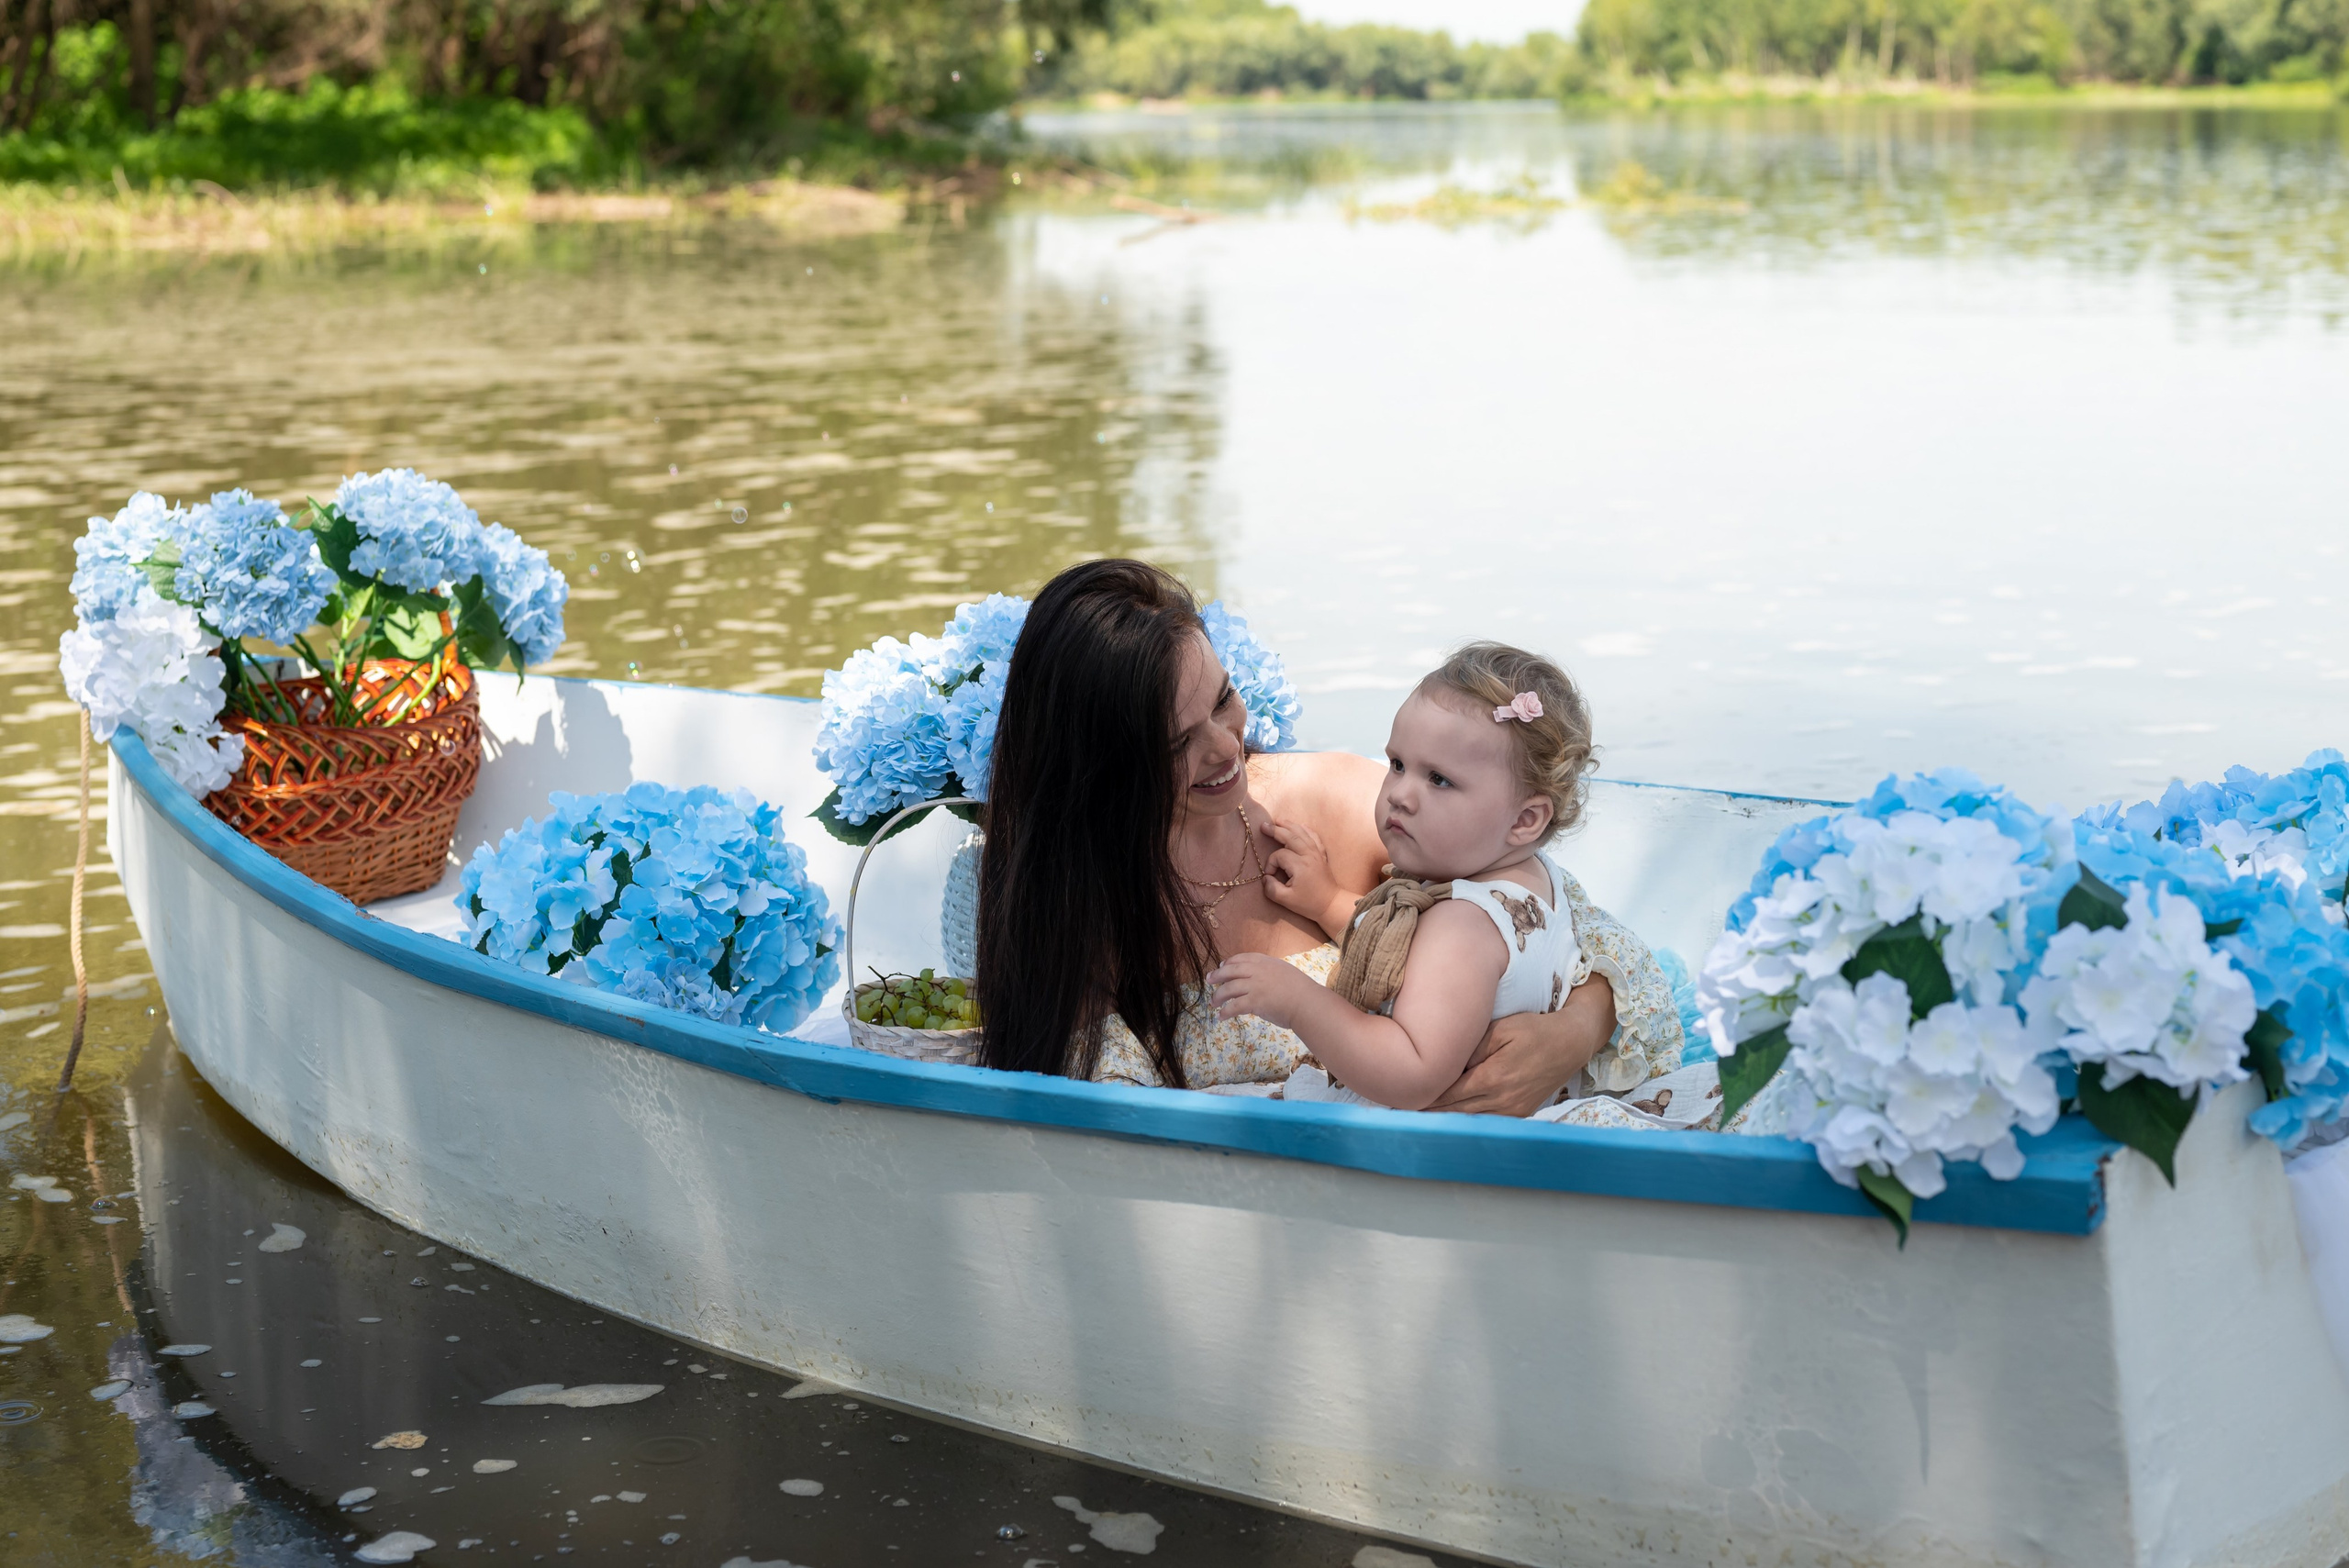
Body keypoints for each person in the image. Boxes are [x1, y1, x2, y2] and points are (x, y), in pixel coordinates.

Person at [974, 559, 1682, 1107]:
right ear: (1100, 765)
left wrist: (1572, 1034)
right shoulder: (1076, 908)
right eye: (1176, 743)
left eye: (1224, 699)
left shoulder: (1349, 810)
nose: (1227, 750)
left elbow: (1582, 932)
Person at [1204, 644, 1597, 1110]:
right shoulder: (1533, 877)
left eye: (1440, 780)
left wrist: (1300, 1003)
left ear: (1524, 820)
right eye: (1397, 765)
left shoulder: (1463, 927)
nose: (1400, 795)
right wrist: (1327, 901)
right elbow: (1407, 951)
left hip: (1438, 1145)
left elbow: (1411, 1072)